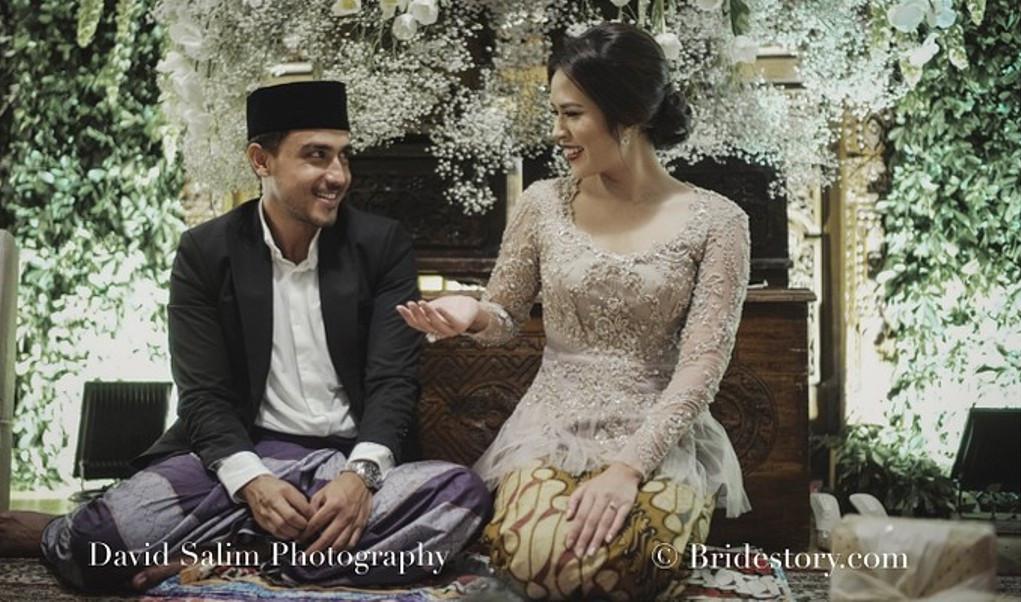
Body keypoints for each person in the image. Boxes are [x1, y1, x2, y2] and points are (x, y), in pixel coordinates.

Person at [0, 80, 491, 592]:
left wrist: (360, 478)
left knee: (461, 497)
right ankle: (278, 555)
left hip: (349, 462)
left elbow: (393, 380)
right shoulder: (206, 252)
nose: (338, 176)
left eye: (344, 156)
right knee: (94, 544)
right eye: (317, 156)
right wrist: (253, 482)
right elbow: (204, 394)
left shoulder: (382, 245)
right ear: (261, 161)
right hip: (242, 458)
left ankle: (229, 560)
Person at [397, 23, 751, 600]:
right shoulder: (542, 203)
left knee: (619, 563)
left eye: (572, 115)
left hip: (657, 437)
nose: (557, 132)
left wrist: (628, 469)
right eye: (556, 114)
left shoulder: (720, 222)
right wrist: (471, 312)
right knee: (538, 559)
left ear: (627, 116)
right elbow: (505, 315)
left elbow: (702, 366)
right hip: (550, 427)